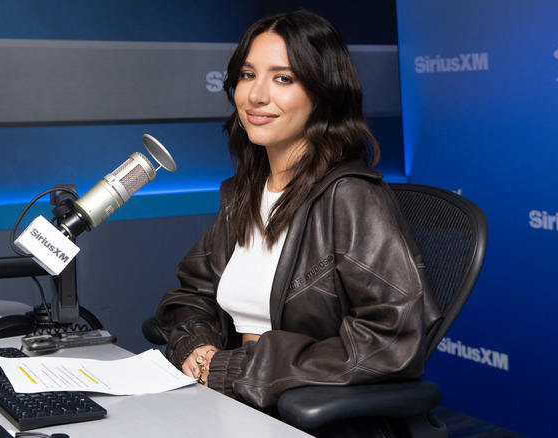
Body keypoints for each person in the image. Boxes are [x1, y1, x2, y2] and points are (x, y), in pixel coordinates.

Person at [153, 9, 442, 431]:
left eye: (283, 78)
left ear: (323, 94)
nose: (256, 95)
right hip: (230, 401)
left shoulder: (351, 196)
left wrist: (234, 368)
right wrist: (199, 351)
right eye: (248, 75)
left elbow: (392, 338)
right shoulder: (244, 194)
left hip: (299, 414)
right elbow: (190, 295)